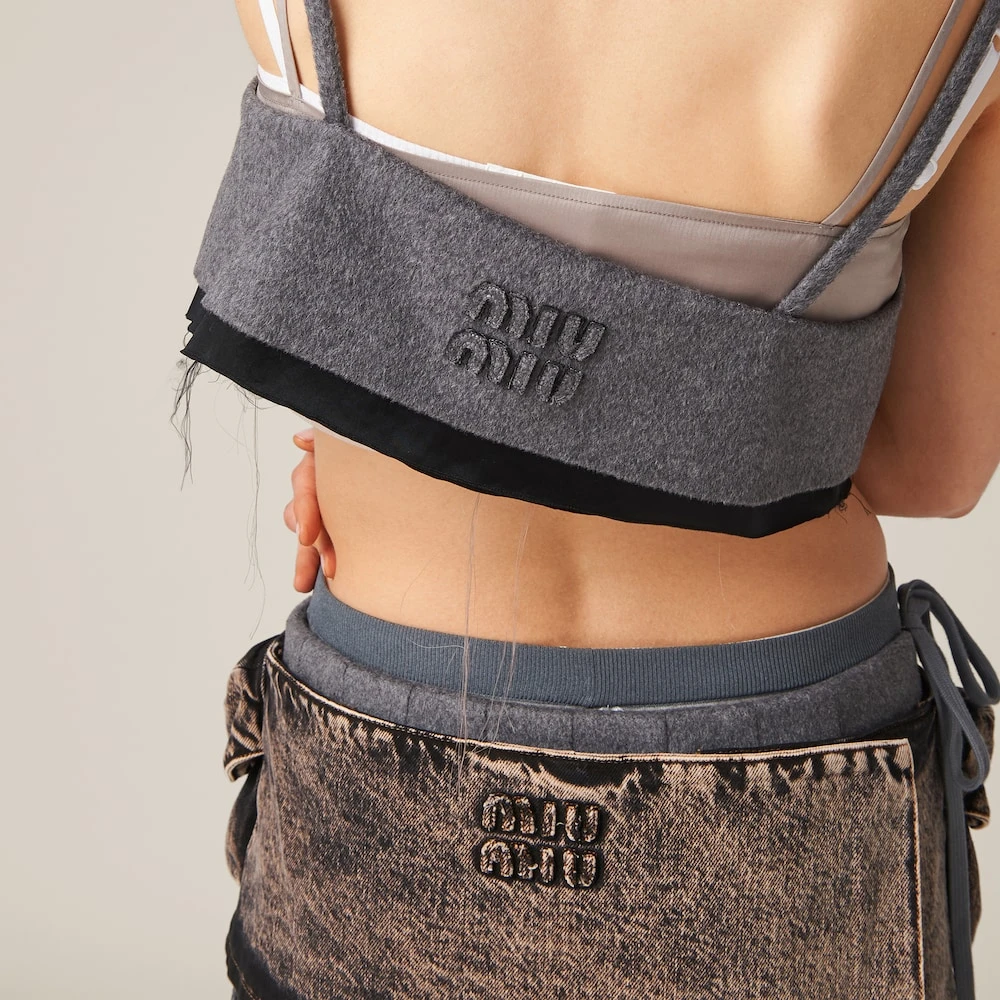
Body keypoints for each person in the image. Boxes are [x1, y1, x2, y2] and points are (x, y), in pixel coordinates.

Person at [179, 2, 1000, 998]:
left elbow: (332, 284)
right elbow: (926, 464)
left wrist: (432, 424)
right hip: (786, 760)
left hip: (383, 728)